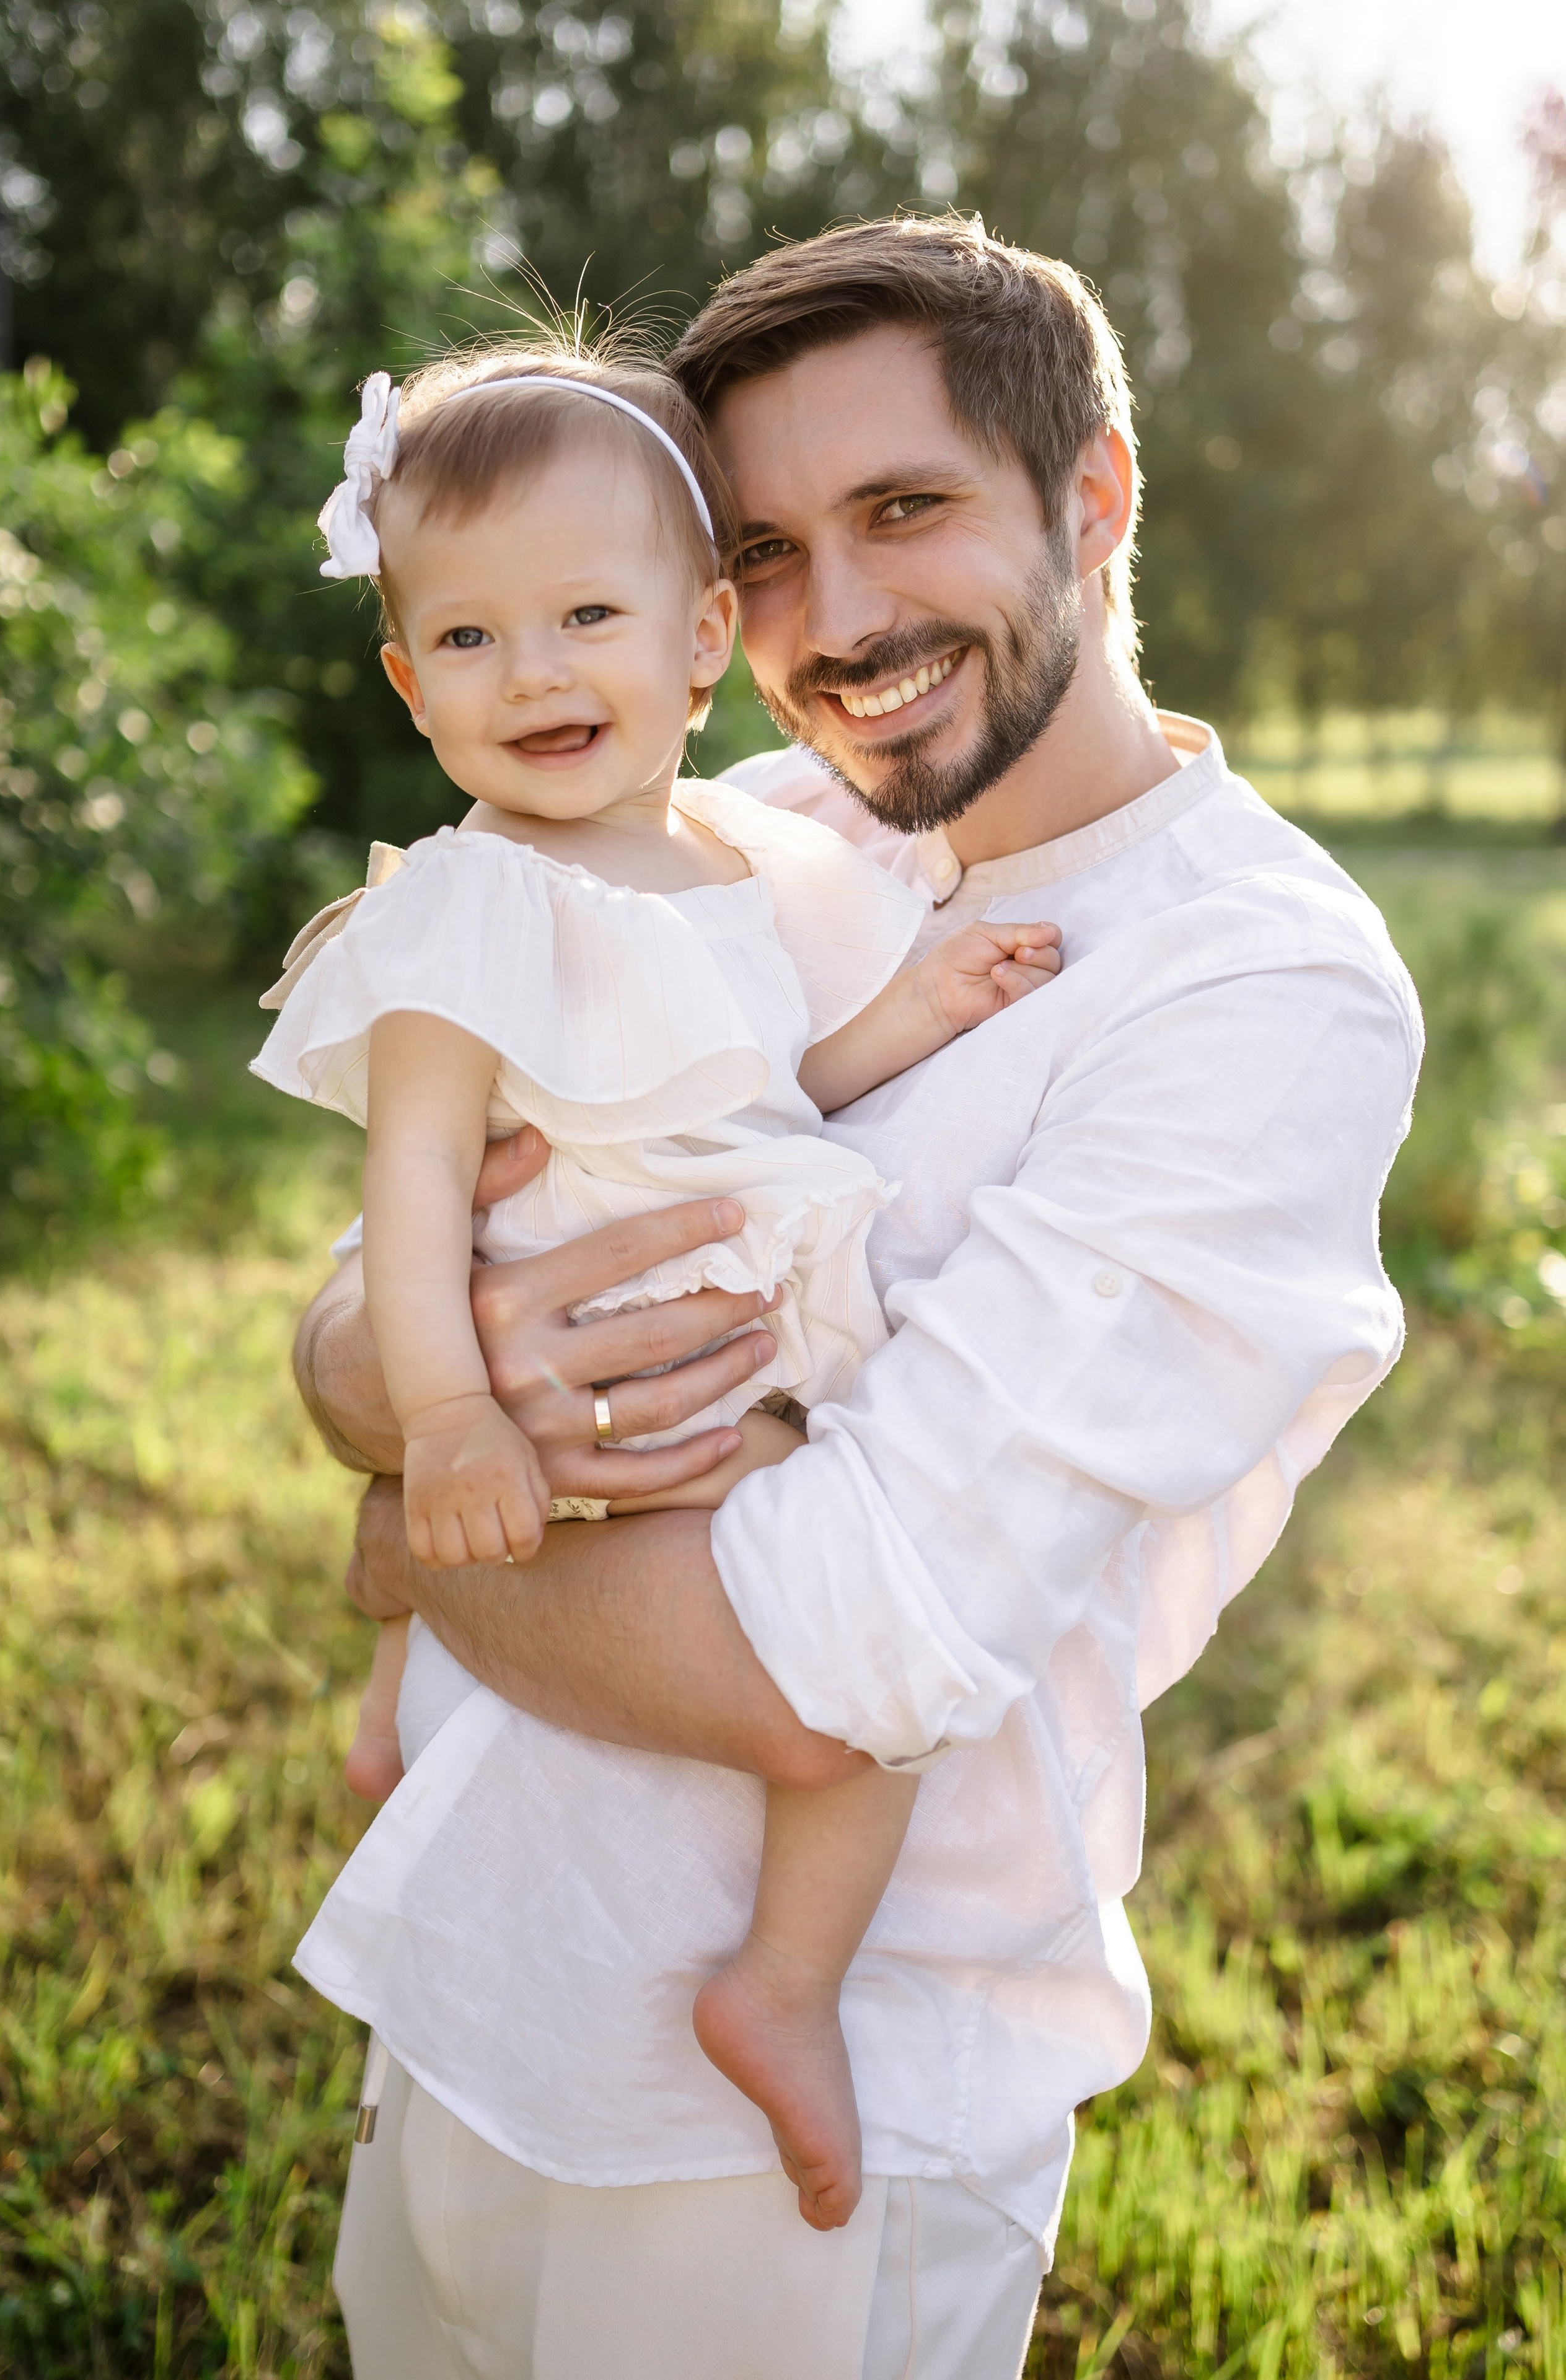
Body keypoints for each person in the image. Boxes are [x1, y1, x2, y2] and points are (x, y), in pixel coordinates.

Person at [292, 216, 1422, 2380]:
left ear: (1092, 497)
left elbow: (838, 1657)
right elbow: (389, 1268)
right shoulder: (750, 821)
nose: (841, 621)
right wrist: (389, 1384)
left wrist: (414, 1553)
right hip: (477, 1968)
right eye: (776, 549)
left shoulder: (1251, 983)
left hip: (801, 2140)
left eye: (905, 512)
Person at [253, 344, 1063, 2231]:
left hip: (712, 1303)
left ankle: (770, 1967)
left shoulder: (739, 850)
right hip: (563, 1315)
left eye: (587, 617)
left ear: (706, 635)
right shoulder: (465, 900)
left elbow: (770, 1076)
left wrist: (917, 1008)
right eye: (466, 640)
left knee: (854, 1656)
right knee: (856, 1685)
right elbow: (416, 1183)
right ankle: (767, 1977)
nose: (534, 675)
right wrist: (444, 1409)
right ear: (405, 680)